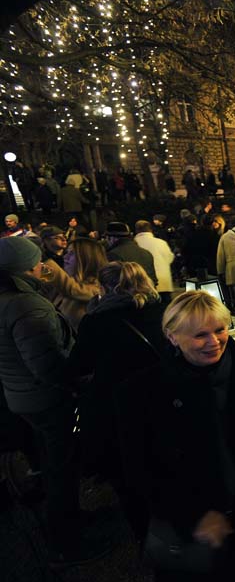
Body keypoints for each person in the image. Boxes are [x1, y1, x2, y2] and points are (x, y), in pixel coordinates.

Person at [116, 292, 235, 581]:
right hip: (197, 521)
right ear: (172, 337)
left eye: (220, 330)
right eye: (199, 335)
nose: (214, 342)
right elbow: (138, 470)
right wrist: (192, 516)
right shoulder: (142, 392)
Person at [0, 237, 109, 567]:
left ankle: (69, 520)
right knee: (62, 467)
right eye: (37, 262)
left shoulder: (9, 299)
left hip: (21, 396)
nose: (43, 266)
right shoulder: (26, 306)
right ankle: (67, 541)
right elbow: (48, 365)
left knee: (51, 462)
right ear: (24, 268)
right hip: (46, 399)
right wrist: (78, 382)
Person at [65, 261, 166, 535]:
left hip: (119, 407)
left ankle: (148, 536)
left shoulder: (96, 321)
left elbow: (79, 366)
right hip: (165, 397)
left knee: (130, 476)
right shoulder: (163, 308)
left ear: (105, 287)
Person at [42, 236, 107, 330]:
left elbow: (72, 289)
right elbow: (48, 288)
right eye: (66, 252)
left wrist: (44, 263)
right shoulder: (68, 282)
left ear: (86, 258)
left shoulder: (99, 288)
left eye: (72, 253)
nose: (65, 257)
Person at [135, 220, 175, 304]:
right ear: (150, 230)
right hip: (164, 283)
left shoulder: (134, 244)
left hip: (143, 286)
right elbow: (170, 258)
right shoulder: (161, 243)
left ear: (137, 230)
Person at [105, 222, 158, 286]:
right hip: (147, 293)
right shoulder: (146, 253)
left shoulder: (113, 254)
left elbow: (113, 282)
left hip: (127, 294)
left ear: (111, 238)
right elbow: (153, 280)